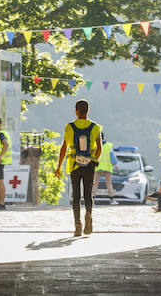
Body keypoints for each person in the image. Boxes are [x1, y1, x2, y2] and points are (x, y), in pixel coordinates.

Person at [54, 98, 101, 236]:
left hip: (74, 164)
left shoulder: (69, 127)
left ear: (76, 111)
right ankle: (88, 214)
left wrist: (59, 167)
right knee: (88, 194)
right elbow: (99, 148)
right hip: (89, 165)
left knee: (76, 195)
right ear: (88, 111)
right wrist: (93, 161)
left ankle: (78, 225)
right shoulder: (95, 127)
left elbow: (63, 148)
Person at [94, 132, 115, 203]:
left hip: (97, 166)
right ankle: (111, 199)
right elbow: (113, 157)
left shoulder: (94, 145)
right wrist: (115, 164)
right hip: (107, 167)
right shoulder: (109, 145)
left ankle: (92, 199)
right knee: (108, 183)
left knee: (95, 183)